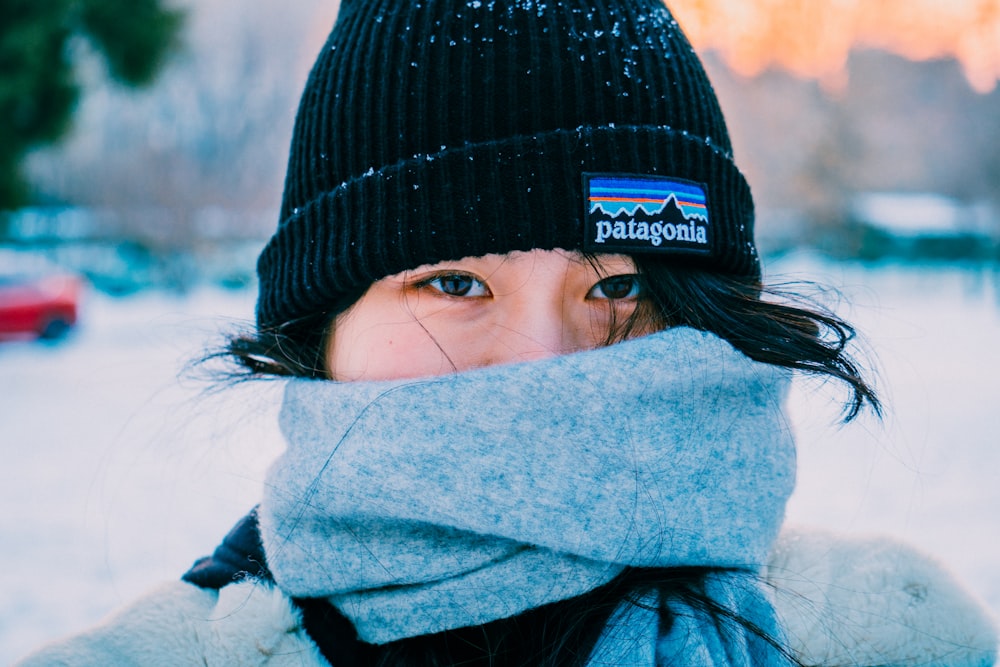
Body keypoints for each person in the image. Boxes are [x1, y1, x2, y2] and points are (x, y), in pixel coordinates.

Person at [19, 0, 997, 665]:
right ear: (322, 331)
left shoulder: (894, 636)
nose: (545, 364)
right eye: (454, 281)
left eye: (615, 284)